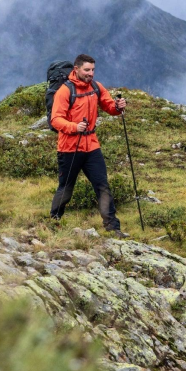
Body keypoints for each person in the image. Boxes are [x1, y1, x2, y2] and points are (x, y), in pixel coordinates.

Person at [49, 54, 128, 236]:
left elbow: (110, 107)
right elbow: (55, 120)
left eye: (92, 70)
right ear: (76, 69)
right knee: (66, 187)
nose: (91, 73)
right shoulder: (65, 91)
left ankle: (113, 227)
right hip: (69, 147)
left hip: (92, 146)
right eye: (87, 70)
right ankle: (54, 222)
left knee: (102, 186)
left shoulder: (96, 87)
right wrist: (75, 127)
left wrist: (118, 106)